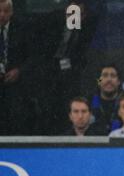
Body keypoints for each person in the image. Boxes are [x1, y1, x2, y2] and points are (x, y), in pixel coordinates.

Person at [30, 0, 99, 135]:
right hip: (49, 70)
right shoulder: (52, 20)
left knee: (69, 104)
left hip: (72, 73)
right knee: (48, 109)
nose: (77, 17)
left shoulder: (87, 26)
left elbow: (85, 55)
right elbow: (39, 47)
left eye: (81, 14)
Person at [0, 0, 30, 135]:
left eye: (6, 11)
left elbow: (32, 57)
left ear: (11, 12)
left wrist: (19, 71)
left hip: (16, 83)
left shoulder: (22, 29)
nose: (2, 15)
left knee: (16, 114)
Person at [91, 63, 122, 134]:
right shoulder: (88, 104)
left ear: (118, 82)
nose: (109, 79)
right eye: (105, 75)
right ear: (99, 81)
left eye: (113, 76)